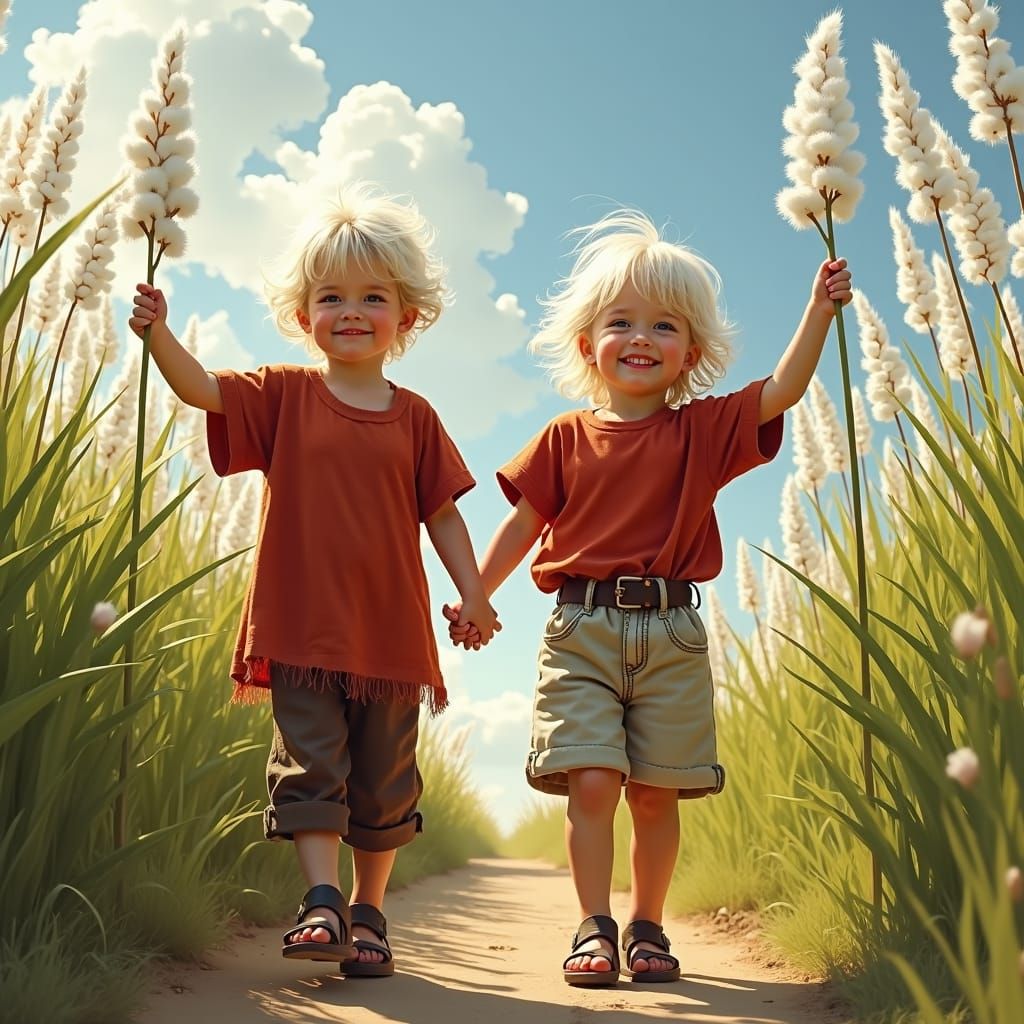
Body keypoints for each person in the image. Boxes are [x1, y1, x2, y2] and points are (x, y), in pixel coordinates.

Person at [445, 208, 851, 986]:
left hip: (672, 634)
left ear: (690, 353)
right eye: (621, 321)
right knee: (593, 781)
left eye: (663, 326)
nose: (640, 338)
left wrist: (818, 310)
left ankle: (648, 924)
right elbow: (523, 526)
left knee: (658, 797)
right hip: (582, 631)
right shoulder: (564, 437)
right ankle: (593, 925)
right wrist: (475, 596)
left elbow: (784, 390)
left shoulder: (703, 432)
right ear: (586, 345)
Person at [129, 183, 498, 979]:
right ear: (304, 316)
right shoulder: (284, 395)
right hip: (300, 630)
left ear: (407, 316)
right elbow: (203, 390)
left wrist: (473, 592)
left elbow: (443, 517)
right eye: (332, 297)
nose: (352, 312)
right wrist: (159, 334)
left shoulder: (416, 417)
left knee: (384, 785)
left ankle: (369, 911)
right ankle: (322, 903)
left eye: (373, 297)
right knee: (310, 766)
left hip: (392, 638)